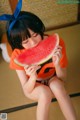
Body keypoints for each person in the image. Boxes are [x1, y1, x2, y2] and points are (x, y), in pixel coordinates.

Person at [6, 11, 77, 120]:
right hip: (33, 87)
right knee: (44, 93)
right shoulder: (17, 56)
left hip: (54, 78)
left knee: (57, 86)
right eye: (25, 42)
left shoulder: (57, 44)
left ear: (40, 30)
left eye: (35, 35)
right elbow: (27, 89)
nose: (33, 43)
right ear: (18, 43)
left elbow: (63, 78)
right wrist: (33, 77)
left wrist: (57, 64)